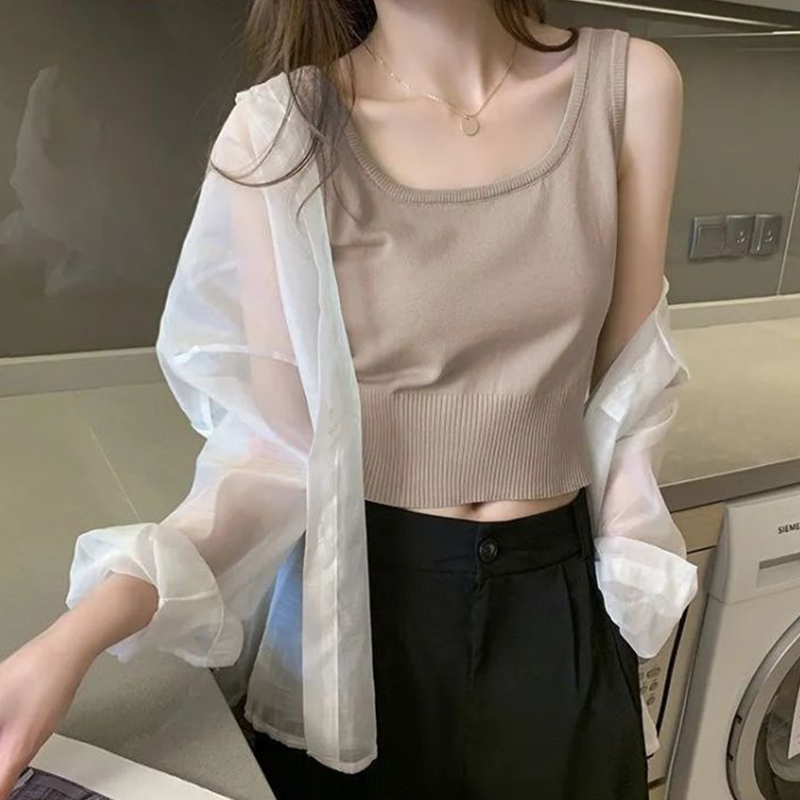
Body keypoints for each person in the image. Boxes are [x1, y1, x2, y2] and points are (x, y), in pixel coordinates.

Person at [0, 2, 691, 799]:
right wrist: (75, 639)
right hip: (360, 615)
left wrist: (631, 583)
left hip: (556, 605)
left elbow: (628, 395)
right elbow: (274, 459)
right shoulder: (279, 132)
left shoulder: (632, 87)